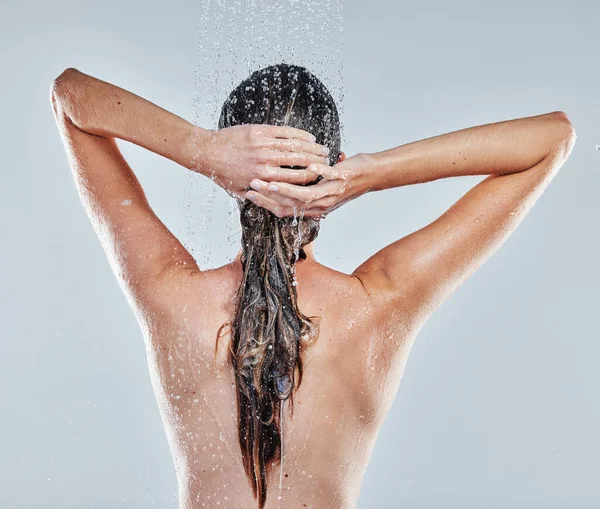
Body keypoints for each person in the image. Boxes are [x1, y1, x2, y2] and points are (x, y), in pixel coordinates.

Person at [50, 63, 575, 509]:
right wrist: (374, 173)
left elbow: (71, 97)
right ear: (334, 166)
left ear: (231, 182)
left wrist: (201, 150)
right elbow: (552, 139)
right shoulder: (378, 304)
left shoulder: (171, 294)